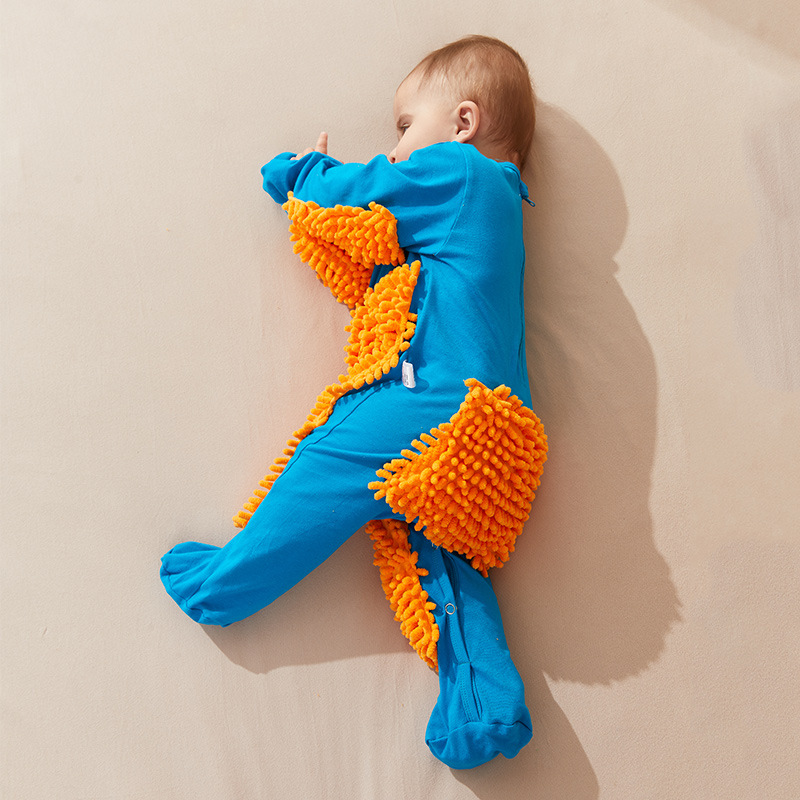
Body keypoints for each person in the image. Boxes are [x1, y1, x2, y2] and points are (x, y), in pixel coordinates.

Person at [160, 35, 546, 770]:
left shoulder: (461, 172)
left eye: (405, 125)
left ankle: (222, 585)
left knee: (325, 461)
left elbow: (366, 193)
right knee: (438, 562)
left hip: (432, 397)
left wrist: (300, 175)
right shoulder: (499, 207)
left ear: (463, 122)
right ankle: (484, 705)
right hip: (495, 433)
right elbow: (399, 262)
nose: (396, 146)